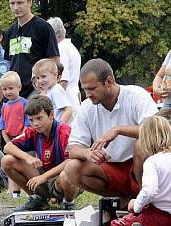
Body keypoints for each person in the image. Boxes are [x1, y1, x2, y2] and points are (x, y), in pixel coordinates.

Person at [64, 59, 158, 200]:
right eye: (84, 89)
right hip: (110, 166)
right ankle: (122, 199)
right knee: (72, 168)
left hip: (139, 164)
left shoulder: (137, 95)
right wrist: (88, 153)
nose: (88, 94)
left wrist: (118, 130)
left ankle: (145, 201)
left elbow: (156, 131)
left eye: (92, 88)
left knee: (141, 145)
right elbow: (73, 148)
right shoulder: (86, 106)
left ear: (109, 81)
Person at [107, 116, 171, 226]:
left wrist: (135, 205)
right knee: (168, 225)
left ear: (146, 139)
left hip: (159, 219)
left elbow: (150, 191)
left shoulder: (152, 162)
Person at [2, 95, 78, 211]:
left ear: (51, 115)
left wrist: (44, 176)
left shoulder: (64, 131)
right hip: (44, 175)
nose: (35, 124)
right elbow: (8, 147)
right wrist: (28, 157)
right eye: (31, 120)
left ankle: (68, 202)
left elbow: (71, 161)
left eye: (39, 118)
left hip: (61, 177)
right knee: (7, 161)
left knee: (67, 174)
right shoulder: (33, 132)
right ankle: (38, 199)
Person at [4, 0, 60, 99]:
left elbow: (54, 60)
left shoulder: (43, 27)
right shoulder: (10, 31)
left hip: (36, 90)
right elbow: (8, 62)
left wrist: (47, 88)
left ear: (29, 2)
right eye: (12, 3)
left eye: (20, 3)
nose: (16, 7)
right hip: (14, 92)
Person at [47, 17, 82, 115]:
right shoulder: (71, 48)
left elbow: (63, 81)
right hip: (72, 100)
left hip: (64, 107)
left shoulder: (61, 50)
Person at [32, 59, 73, 124]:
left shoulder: (56, 90)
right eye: (37, 78)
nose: (40, 81)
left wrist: (59, 127)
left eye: (43, 76)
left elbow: (68, 110)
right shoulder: (48, 90)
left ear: (55, 75)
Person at [0, 72, 29, 146]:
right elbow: (2, 127)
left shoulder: (25, 103)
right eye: (4, 89)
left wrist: (20, 139)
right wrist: (8, 141)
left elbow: (28, 124)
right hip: (9, 140)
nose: (8, 92)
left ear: (19, 87)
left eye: (11, 88)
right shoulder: (4, 107)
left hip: (24, 139)